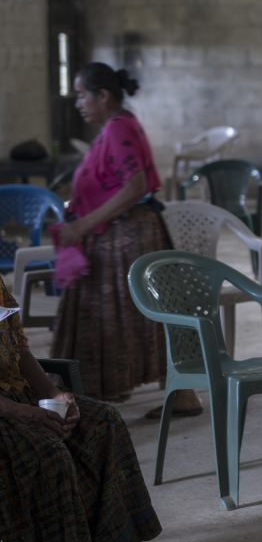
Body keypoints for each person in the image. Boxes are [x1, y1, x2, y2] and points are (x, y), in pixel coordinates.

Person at [51, 62, 202, 416]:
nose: (78, 103)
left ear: (103, 96)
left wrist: (83, 225)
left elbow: (135, 187)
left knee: (124, 317)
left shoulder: (119, 128)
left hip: (128, 237)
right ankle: (179, 395)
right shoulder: (116, 127)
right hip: (121, 236)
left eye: (81, 95)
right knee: (134, 318)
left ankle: (175, 395)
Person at [0, 275, 161, 542]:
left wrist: (53, 393)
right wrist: (24, 413)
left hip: (16, 394)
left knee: (103, 422)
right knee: (46, 456)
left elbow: (18, 346)